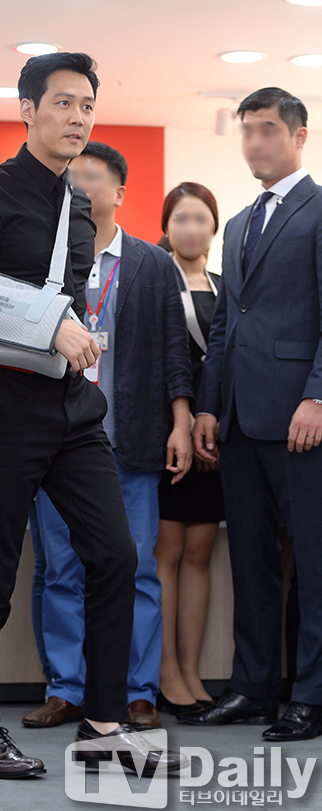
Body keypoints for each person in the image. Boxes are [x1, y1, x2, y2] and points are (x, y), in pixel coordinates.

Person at [0, 52, 182, 779]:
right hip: (6, 410)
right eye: (62, 103)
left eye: (87, 105)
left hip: (75, 412)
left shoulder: (79, 206)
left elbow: (73, 302)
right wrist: (50, 323)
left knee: (116, 556)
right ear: (27, 109)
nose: (77, 117)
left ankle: (105, 725)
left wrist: (72, 329)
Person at [22, 142, 194, 732]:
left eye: (93, 176)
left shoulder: (152, 263)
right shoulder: (43, 261)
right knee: (62, 571)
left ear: (119, 192)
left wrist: (180, 421)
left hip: (133, 441)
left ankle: (136, 691)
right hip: (60, 444)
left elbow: (175, 350)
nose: (80, 185)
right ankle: (67, 689)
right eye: (72, 176)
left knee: (139, 570)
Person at [188, 87, 322, 742]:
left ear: (299, 136)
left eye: (267, 129)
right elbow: (226, 328)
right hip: (239, 420)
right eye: (246, 130)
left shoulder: (319, 211)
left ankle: (311, 695)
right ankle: (254, 686)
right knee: (251, 561)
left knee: (315, 563)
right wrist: (209, 407)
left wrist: (318, 396)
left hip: (302, 418)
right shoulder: (238, 223)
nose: (254, 142)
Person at [155, 182, 225, 716]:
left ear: (214, 226)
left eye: (200, 218)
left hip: (216, 434)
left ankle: (192, 670)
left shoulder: (225, 285)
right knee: (167, 554)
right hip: (166, 432)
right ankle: (164, 674)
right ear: (166, 226)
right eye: (181, 218)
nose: (191, 228)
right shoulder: (155, 280)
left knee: (200, 554)